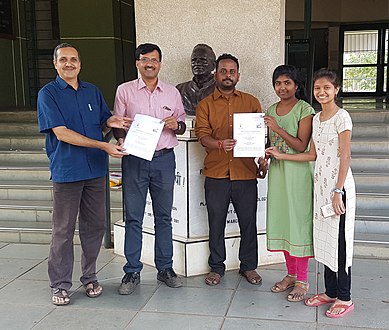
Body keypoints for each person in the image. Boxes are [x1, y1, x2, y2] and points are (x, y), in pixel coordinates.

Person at [37, 43, 132, 306]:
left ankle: (89, 277)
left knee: (95, 228)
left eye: (74, 60)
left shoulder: (92, 91)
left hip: (94, 170)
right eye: (63, 60)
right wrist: (104, 145)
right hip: (67, 171)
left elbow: (103, 121)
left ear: (80, 63)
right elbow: (62, 133)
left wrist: (111, 122)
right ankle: (60, 284)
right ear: (55, 64)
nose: (69, 64)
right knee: (63, 230)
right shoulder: (49, 94)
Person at [267, 68, 356, 318]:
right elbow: (312, 155)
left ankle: (345, 297)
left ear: (336, 89)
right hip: (320, 187)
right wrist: (280, 156)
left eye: (327, 87)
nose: (322, 92)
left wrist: (338, 190)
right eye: (318, 88)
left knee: (340, 243)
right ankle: (330, 291)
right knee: (325, 241)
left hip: (339, 189)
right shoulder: (317, 119)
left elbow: (345, 156)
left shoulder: (342, 118)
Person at [113, 43, 186, 295]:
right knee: (134, 216)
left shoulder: (172, 93)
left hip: (164, 160)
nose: (150, 64)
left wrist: (175, 125)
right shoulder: (124, 91)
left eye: (154, 60)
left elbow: (182, 125)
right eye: (145, 59)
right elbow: (117, 124)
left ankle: (165, 267)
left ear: (160, 63)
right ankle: (132, 270)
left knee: (164, 216)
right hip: (135, 160)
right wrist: (120, 138)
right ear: (137, 63)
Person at [195, 53, 266, 286]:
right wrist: (218, 144)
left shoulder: (251, 102)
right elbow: (202, 135)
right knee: (216, 223)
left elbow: (259, 137)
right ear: (216, 73)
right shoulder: (204, 104)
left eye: (232, 71)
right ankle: (216, 268)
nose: (228, 75)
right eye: (223, 71)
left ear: (238, 75)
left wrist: (263, 158)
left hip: (245, 173)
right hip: (216, 174)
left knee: (248, 222)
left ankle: (249, 267)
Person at [263, 65, 315, 302]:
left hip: (298, 174)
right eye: (278, 83)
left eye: (287, 83)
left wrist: (277, 128)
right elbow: (268, 142)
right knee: (283, 221)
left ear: (296, 85)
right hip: (278, 172)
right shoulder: (271, 109)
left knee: (298, 223)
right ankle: (291, 274)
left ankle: (303, 280)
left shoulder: (305, 109)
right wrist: (262, 156)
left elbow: (301, 145)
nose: (282, 87)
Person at [176, 44, 216, 115]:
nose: (197, 63)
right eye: (194, 60)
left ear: (213, 65)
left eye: (203, 60)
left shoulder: (222, 89)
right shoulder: (180, 90)